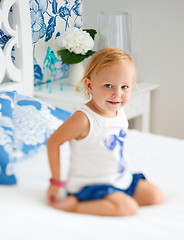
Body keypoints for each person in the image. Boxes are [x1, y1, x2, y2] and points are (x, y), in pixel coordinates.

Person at [46, 47, 163, 216]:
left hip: (120, 178)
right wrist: (55, 182)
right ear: (89, 85)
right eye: (108, 85)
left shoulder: (118, 111)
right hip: (91, 185)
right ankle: (75, 206)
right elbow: (53, 142)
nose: (117, 94)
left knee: (155, 196)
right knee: (128, 208)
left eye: (125, 87)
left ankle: (117, 197)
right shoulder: (83, 119)